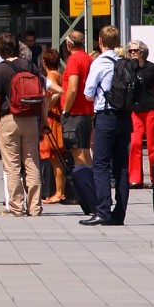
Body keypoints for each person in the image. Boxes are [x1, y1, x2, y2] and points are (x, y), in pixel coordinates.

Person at [0, 32, 47, 217]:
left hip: (9, 119)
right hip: (31, 119)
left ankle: (16, 207)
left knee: (12, 165)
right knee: (32, 162)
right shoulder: (30, 66)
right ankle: (35, 207)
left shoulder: (0, 70)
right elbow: (43, 96)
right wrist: (43, 122)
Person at [81, 25, 132, 226]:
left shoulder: (100, 62)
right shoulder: (123, 62)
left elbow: (88, 93)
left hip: (106, 116)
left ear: (100, 41)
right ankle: (119, 214)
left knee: (101, 165)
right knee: (121, 167)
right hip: (125, 117)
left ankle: (102, 210)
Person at [127, 40, 154, 189]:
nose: (132, 53)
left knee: (153, 144)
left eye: (135, 50)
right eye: (130, 51)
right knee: (135, 143)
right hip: (135, 110)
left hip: (152, 108)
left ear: (142, 52)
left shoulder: (152, 68)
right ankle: (135, 179)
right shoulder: (129, 68)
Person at [61, 30, 93, 167]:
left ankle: (84, 179)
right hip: (86, 110)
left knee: (77, 151)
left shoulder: (73, 60)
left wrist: (66, 110)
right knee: (85, 150)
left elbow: (73, 88)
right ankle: (91, 178)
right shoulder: (88, 58)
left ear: (68, 44)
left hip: (75, 112)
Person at [39, 47, 65, 203]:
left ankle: (59, 192)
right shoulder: (59, 74)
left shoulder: (50, 77)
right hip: (56, 117)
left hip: (52, 119)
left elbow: (58, 91)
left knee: (56, 158)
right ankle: (59, 191)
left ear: (44, 62)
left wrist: (48, 104)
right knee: (57, 158)